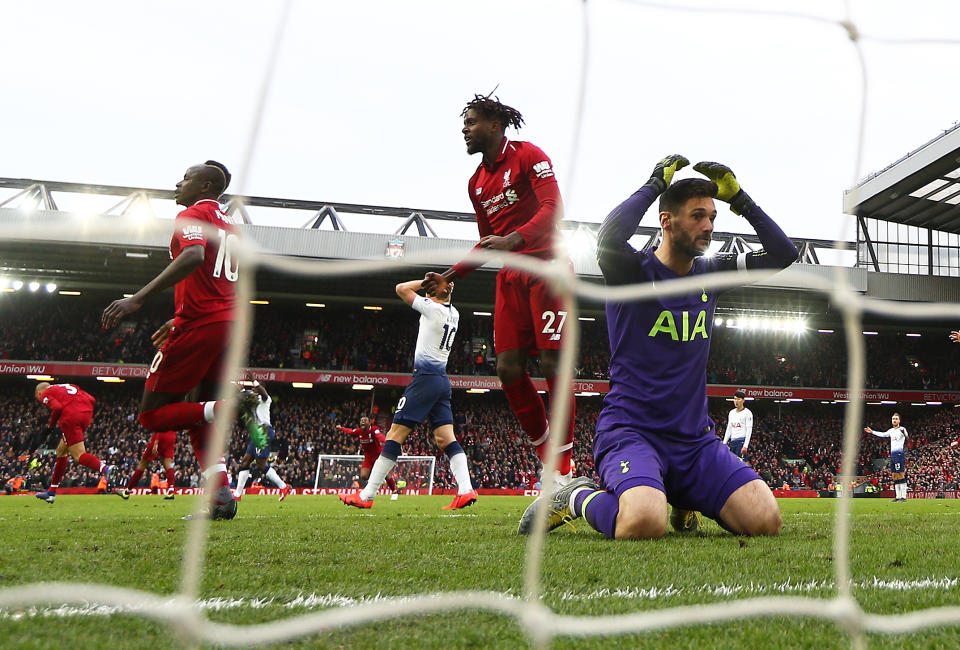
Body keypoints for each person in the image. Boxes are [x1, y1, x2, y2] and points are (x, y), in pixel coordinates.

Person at [531, 155, 797, 539]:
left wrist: (741, 200)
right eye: (697, 216)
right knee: (642, 522)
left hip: (694, 440)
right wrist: (654, 184)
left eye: (712, 217)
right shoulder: (631, 273)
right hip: (631, 432)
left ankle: (685, 497)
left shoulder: (712, 272)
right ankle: (576, 497)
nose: (708, 226)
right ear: (666, 221)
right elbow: (609, 237)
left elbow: (783, 254)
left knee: (764, 520)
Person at [422, 94, 575, 496]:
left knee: (553, 362)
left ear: (494, 124)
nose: (464, 129)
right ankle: (548, 459)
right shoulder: (477, 183)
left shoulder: (529, 156)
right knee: (507, 368)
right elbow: (487, 244)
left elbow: (552, 209)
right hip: (512, 277)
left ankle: (564, 464)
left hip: (548, 268)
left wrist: (514, 239)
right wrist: (449, 276)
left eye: (470, 122)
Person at [101, 161, 262, 519]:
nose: (178, 183)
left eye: (186, 178)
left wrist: (137, 298)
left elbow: (193, 256)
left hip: (201, 324)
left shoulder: (192, 215)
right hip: (228, 324)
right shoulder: (232, 227)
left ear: (204, 185)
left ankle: (230, 407)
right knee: (199, 412)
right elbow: (221, 277)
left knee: (152, 416)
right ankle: (220, 497)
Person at [340, 279, 477, 510]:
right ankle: (465, 490)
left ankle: (367, 495)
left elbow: (401, 288)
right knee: (446, 439)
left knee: (394, 435)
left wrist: (425, 282)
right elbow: (444, 295)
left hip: (424, 379)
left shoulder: (431, 308)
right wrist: (441, 286)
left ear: (432, 293)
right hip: (442, 380)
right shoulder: (455, 312)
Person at [33, 382, 115, 504]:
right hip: (86, 414)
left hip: (71, 417)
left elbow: (57, 408)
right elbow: (91, 398)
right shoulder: (65, 386)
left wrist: (50, 426)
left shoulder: (45, 393)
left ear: (39, 392)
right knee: (61, 451)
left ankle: (105, 469)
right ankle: (51, 492)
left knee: (79, 456)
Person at [233, 382, 293, 502]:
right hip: (256, 433)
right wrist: (238, 389)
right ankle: (237, 495)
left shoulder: (266, 399)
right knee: (245, 462)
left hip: (264, 432)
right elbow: (243, 397)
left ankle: (283, 486)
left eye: (256, 388)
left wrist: (255, 381)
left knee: (261, 465)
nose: (254, 390)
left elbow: (263, 393)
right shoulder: (253, 400)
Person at [336, 416, 398, 498]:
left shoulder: (374, 429)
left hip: (378, 456)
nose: (362, 422)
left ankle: (394, 491)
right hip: (368, 458)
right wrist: (341, 428)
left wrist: (387, 443)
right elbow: (350, 431)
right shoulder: (359, 431)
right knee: (364, 476)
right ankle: (377, 479)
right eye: (361, 420)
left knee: (386, 475)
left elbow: (380, 436)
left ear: (369, 423)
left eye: (365, 420)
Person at [115, 431, 177, 500]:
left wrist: (156, 443)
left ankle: (126, 492)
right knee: (168, 464)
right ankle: (171, 491)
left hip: (161, 436)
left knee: (142, 464)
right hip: (172, 436)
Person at [865, 413, 909, 502]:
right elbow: (883, 434)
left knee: (900, 474)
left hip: (899, 455)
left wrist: (904, 433)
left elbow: (907, 436)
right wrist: (872, 432)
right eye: (893, 419)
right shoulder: (891, 430)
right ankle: (898, 496)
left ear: (899, 420)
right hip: (892, 455)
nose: (894, 420)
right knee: (894, 476)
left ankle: (903, 496)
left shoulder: (902, 429)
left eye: (896, 419)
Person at [721, 390, 753, 459]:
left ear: (743, 400)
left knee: (741, 463)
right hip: (732, 442)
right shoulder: (731, 413)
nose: (736, 401)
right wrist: (724, 443)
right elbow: (729, 429)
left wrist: (745, 446)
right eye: (735, 399)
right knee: (732, 464)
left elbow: (749, 429)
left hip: (741, 441)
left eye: (738, 399)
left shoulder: (747, 413)